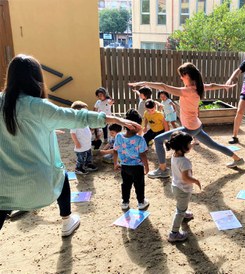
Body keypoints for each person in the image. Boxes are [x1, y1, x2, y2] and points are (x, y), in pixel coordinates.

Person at [0, 54, 141, 235]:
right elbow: (77, 116)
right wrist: (117, 119)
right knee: (62, 175)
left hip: (5, 189)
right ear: (37, 79)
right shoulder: (38, 106)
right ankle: (67, 221)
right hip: (42, 187)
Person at [129, 62, 245, 179]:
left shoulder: (187, 91)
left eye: (181, 75)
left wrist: (143, 83)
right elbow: (212, 85)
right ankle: (238, 159)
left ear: (187, 75)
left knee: (158, 140)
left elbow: (163, 86)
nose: (180, 78)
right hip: (197, 126)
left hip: (190, 127)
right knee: (214, 145)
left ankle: (163, 170)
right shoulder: (198, 87)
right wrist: (224, 86)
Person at [165, 131, 201, 242]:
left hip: (176, 186)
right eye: (189, 144)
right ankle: (174, 233)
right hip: (183, 189)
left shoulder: (174, 155)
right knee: (179, 211)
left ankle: (184, 213)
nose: (191, 145)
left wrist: (192, 143)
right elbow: (186, 178)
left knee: (181, 205)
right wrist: (196, 181)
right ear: (182, 147)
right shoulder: (185, 162)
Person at [113, 109, 149, 210]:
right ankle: (141, 202)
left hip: (124, 166)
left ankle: (125, 202)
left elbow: (115, 150)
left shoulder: (118, 136)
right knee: (139, 185)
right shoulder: (140, 139)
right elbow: (143, 155)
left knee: (125, 184)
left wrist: (115, 163)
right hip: (137, 167)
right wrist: (146, 167)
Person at [70, 101, 98, 174]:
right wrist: (77, 143)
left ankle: (87, 165)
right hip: (81, 145)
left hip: (87, 143)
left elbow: (86, 129)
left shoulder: (84, 120)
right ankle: (78, 168)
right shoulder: (75, 122)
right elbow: (73, 134)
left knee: (88, 155)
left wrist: (91, 132)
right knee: (81, 158)